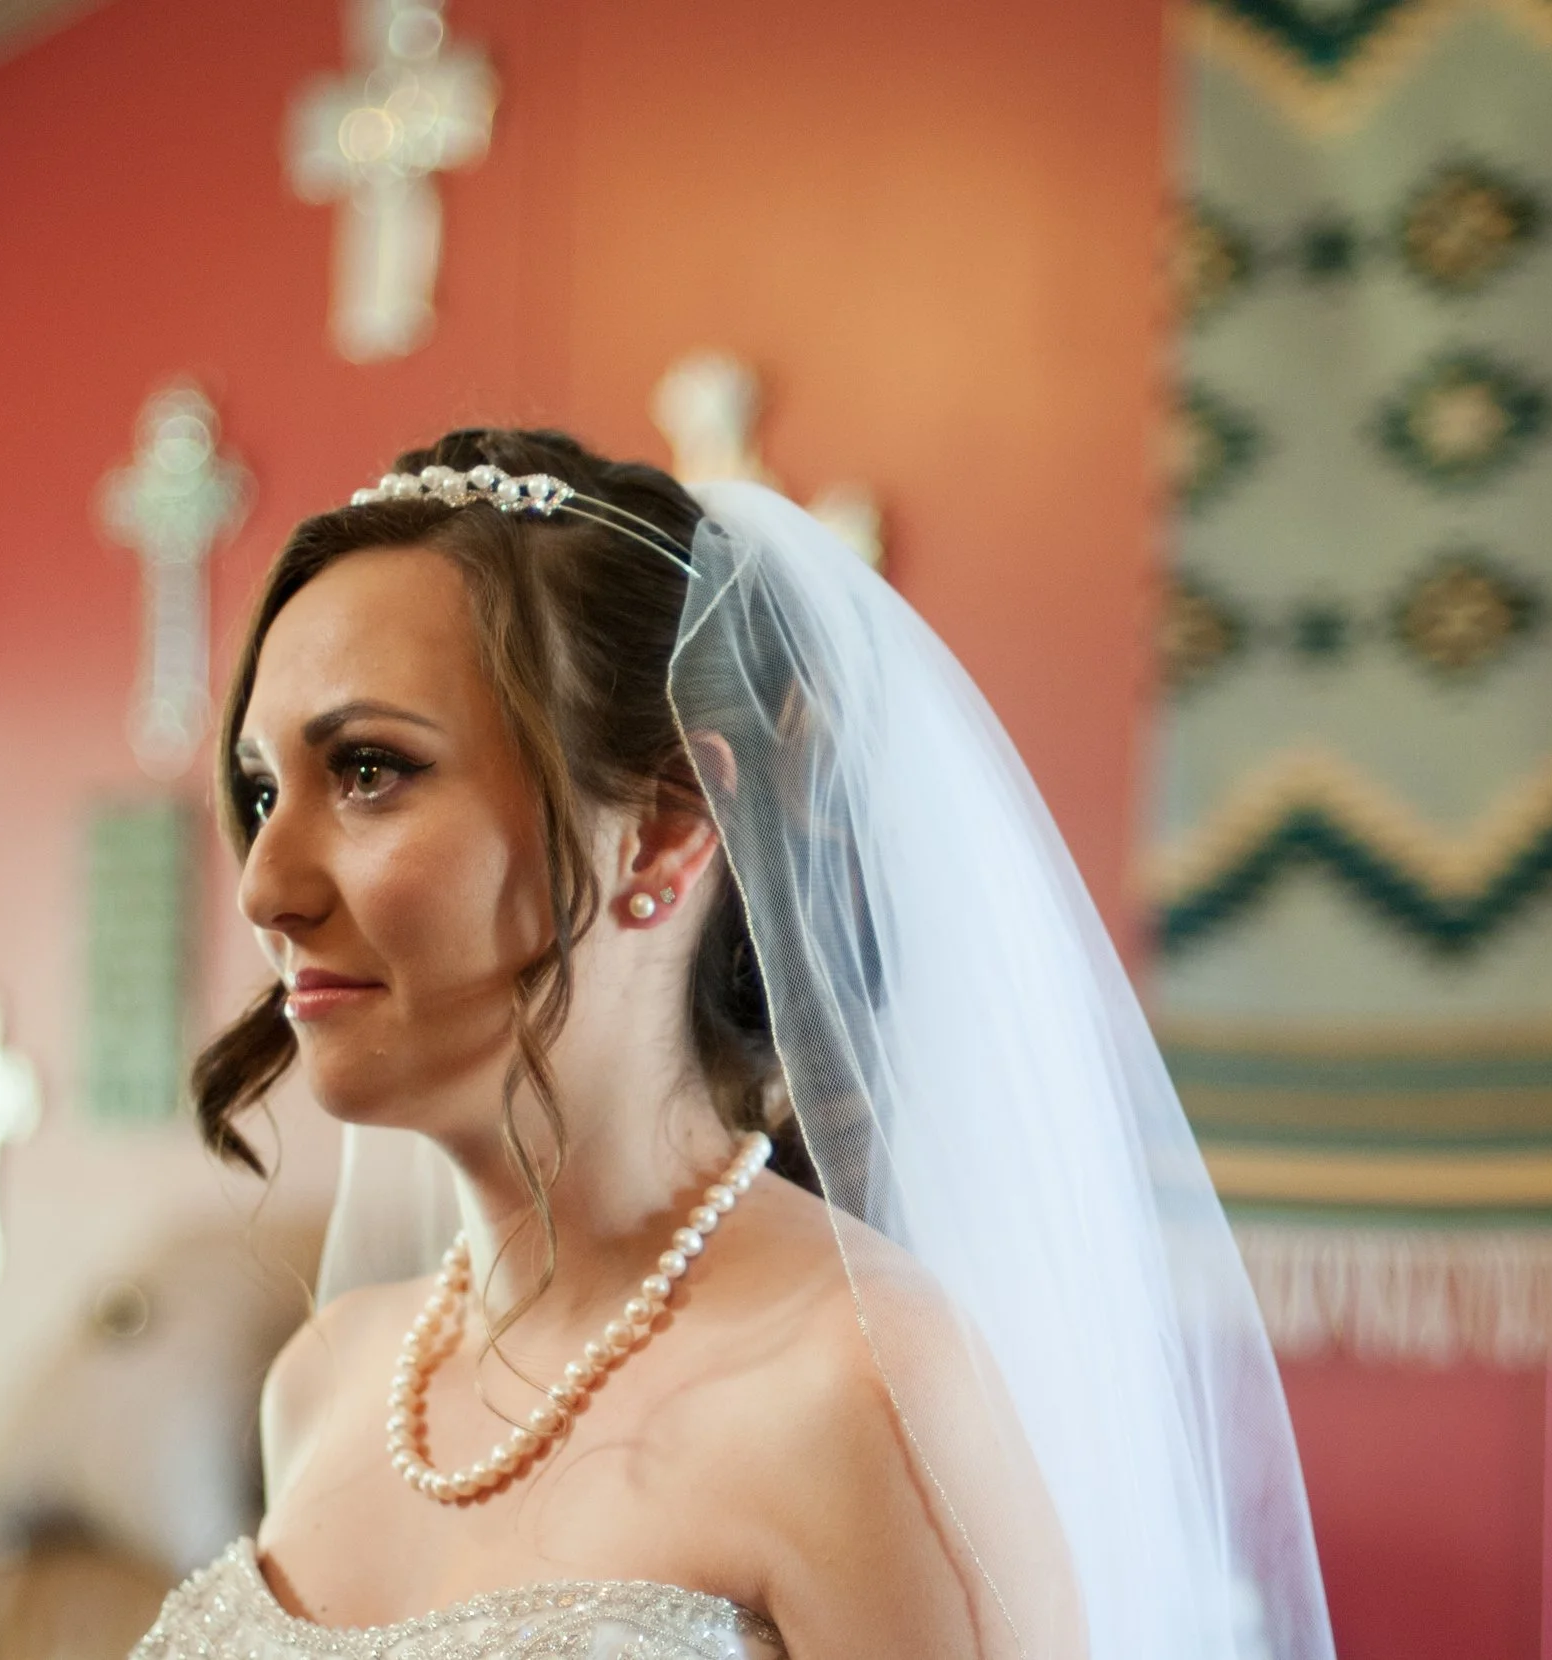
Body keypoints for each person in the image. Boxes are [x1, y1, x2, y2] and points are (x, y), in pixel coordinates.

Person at [127, 430, 1332, 1660]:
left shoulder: (861, 1387)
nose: (263, 887)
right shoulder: (328, 1382)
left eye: (371, 769)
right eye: (265, 790)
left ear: (659, 832)